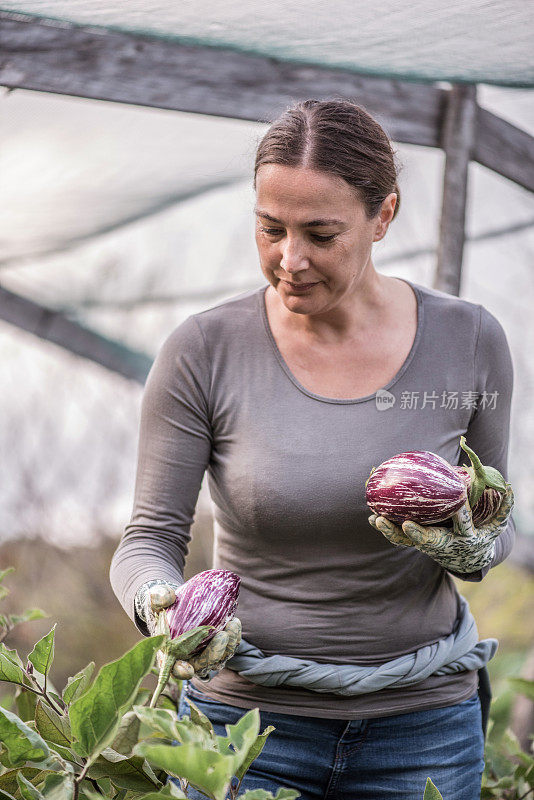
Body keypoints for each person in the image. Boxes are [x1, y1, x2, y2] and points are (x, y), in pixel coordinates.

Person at [110, 99, 515, 800]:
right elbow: (149, 537)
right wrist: (161, 606)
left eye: (321, 234)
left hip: (421, 727)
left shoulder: (470, 341)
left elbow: (495, 515)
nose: (289, 260)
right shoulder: (204, 350)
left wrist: (474, 546)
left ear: (382, 217)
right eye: (271, 229)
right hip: (242, 728)